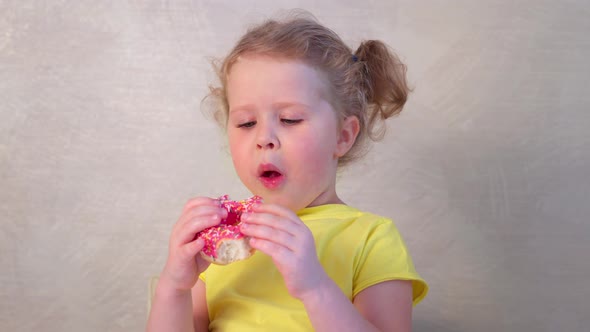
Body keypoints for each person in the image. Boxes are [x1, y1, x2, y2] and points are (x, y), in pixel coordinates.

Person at [147, 11, 428, 332]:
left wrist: (315, 288)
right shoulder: (213, 250)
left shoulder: (371, 237)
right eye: (246, 123)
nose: (264, 138)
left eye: (290, 119)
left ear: (342, 136)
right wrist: (174, 287)